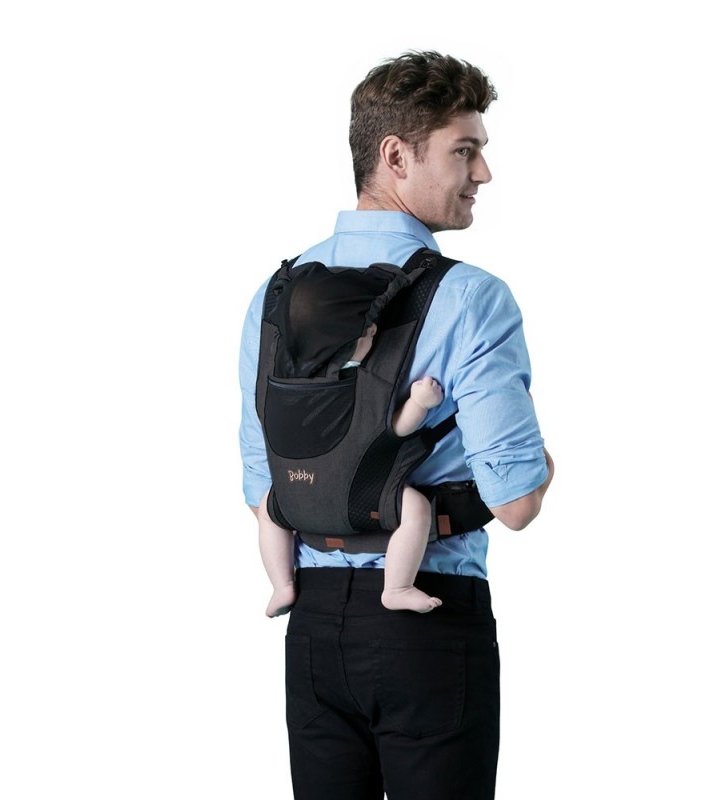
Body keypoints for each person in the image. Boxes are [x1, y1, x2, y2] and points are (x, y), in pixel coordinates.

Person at [239, 50, 554, 800]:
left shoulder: (275, 295)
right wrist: (543, 466)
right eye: (464, 151)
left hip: (311, 628)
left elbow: (263, 487)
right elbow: (516, 505)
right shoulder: (471, 298)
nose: (483, 174)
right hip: (427, 624)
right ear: (395, 156)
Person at [259, 320, 445, 617]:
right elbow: (396, 428)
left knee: (268, 511)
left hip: (300, 486)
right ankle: (397, 588)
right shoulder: (367, 383)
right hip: (359, 492)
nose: (373, 329)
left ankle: (282, 585)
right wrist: (420, 403)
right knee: (417, 509)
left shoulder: (292, 383)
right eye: (365, 331)